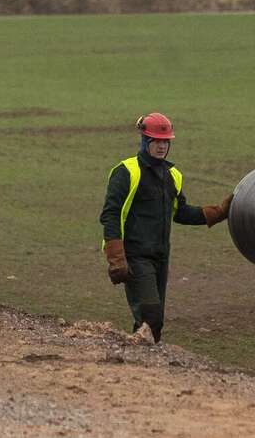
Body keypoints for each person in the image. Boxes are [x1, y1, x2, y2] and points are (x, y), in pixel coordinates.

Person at [98, 111, 229, 343]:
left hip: (160, 257)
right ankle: (140, 356)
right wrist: (116, 258)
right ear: (145, 141)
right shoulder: (126, 172)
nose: (161, 146)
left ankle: (140, 358)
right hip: (135, 256)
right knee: (151, 317)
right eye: (156, 141)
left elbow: (180, 212)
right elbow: (111, 215)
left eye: (165, 142)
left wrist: (218, 213)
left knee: (153, 323)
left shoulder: (172, 175)